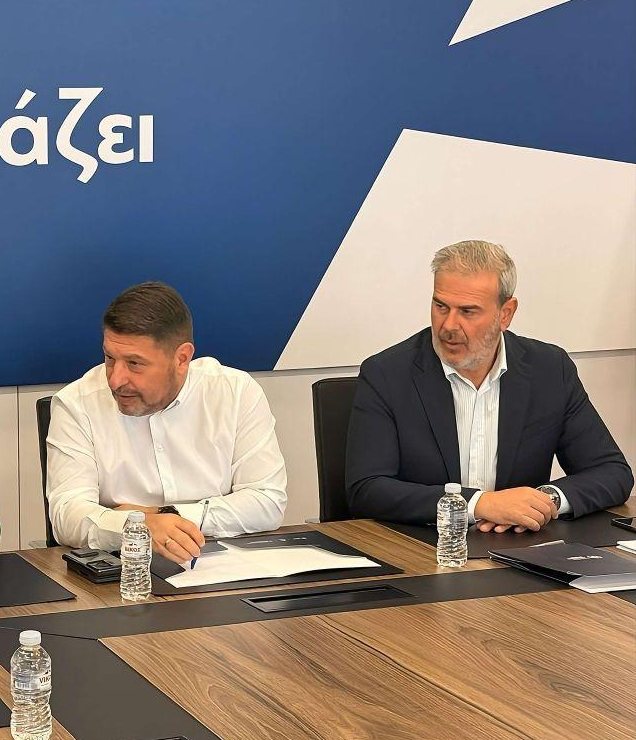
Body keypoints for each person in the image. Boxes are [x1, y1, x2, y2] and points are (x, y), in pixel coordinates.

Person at [346, 240, 632, 530]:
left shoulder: (549, 370)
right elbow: (367, 489)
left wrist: (543, 501)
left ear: (505, 314)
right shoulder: (387, 374)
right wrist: (478, 504)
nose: (449, 325)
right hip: (423, 544)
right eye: (441, 306)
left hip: (517, 547)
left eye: (468, 311)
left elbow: (612, 472)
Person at [46, 282, 288, 562]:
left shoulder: (235, 392)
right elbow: (67, 516)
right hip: (122, 569)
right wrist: (145, 528)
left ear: (182, 358)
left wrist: (159, 517)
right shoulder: (77, 403)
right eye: (110, 358)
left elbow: (267, 501)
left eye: (135, 363)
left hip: (221, 564)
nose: (115, 379)